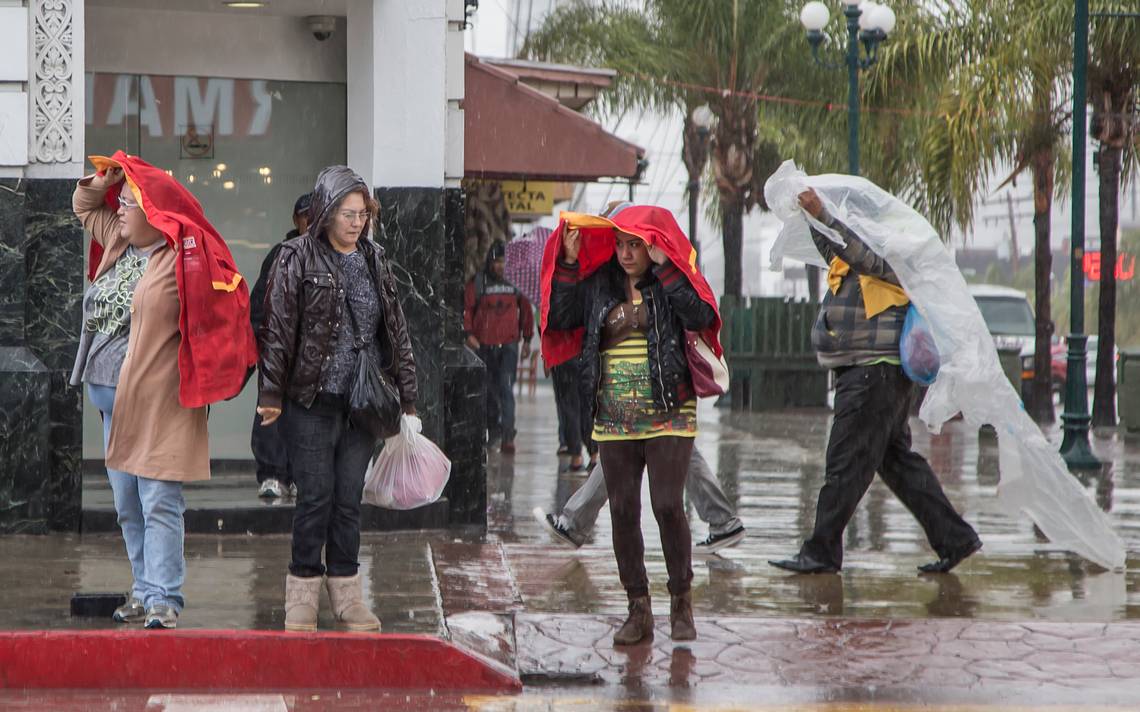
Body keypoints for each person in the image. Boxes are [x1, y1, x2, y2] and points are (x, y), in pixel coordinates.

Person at [71, 153, 256, 630]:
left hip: (160, 402)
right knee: (127, 505)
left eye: (131, 202)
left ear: (156, 212)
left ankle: (164, 597)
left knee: (158, 501)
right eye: (123, 203)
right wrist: (106, 179)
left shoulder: (179, 259)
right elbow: (85, 206)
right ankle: (141, 589)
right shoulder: (119, 241)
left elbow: (218, 315)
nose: (122, 209)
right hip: (112, 402)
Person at [769, 188, 982, 575]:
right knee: (897, 462)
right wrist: (814, 217)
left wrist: (827, 218)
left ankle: (821, 550)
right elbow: (836, 248)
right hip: (871, 371)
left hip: (875, 370)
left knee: (845, 459)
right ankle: (955, 537)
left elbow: (861, 255)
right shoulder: (853, 249)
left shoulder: (898, 250)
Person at [545, 204, 720, 645]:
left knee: (666, 505)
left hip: (670, 412)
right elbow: (562, 316)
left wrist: (667, 269)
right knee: (623, 510)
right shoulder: (600, 284)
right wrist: (567, 262)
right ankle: (637, 608)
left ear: (652, 246)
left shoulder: (668, 281)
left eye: (635, 245)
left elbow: (700, 315)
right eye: (620, 244)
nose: (625, 253)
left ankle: (681, 600)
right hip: (613, 417)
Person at [257, 166, 417, 632]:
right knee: (315, 497)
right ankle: (302, 592)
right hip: (309, 399)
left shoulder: (375, 259)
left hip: (362, 403)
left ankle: (347, 594)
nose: (356, 223)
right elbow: (278, 330)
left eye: (363, 214)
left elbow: (397, 332)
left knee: (348, 499)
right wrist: (270, 393)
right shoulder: (296, 256)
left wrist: (409, 399)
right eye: (348, 213)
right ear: (325, 213)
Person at [533, 447, 746, 552]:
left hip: (653, 376)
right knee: (626, 443)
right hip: (655, 376)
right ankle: (723, 520)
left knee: (625, 442)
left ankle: (575, 522)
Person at [249, 192, 311, 500]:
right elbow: (259, 301)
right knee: (270, 413)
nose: (311, 223)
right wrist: (259, 339)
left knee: (307, 419)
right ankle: (272, 475)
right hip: (277, 349)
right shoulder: (279, 254)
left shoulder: (331, 256)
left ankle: (301, 474)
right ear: (296, 220)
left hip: (312, 355)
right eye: (306, 216)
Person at [464, 240, 534, 453]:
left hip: (509, 347)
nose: (500, 266)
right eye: (497, 261)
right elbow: (467, 309)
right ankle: (493, 431)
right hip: (484, 347)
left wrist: (528, 340)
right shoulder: (478, 282)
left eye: (504, 261)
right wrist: (468, 335)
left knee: (506, 389)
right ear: (490, 262)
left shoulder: (516, 283)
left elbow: (527, 312)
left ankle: (507, 436)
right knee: (488, 391)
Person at [550, 355, 596, 471]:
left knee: (569, 408)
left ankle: (576, 457)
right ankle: (594, 454)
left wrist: (547, 355)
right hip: (585, 355)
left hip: (564, 356)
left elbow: (548, 336)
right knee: (586, 407)